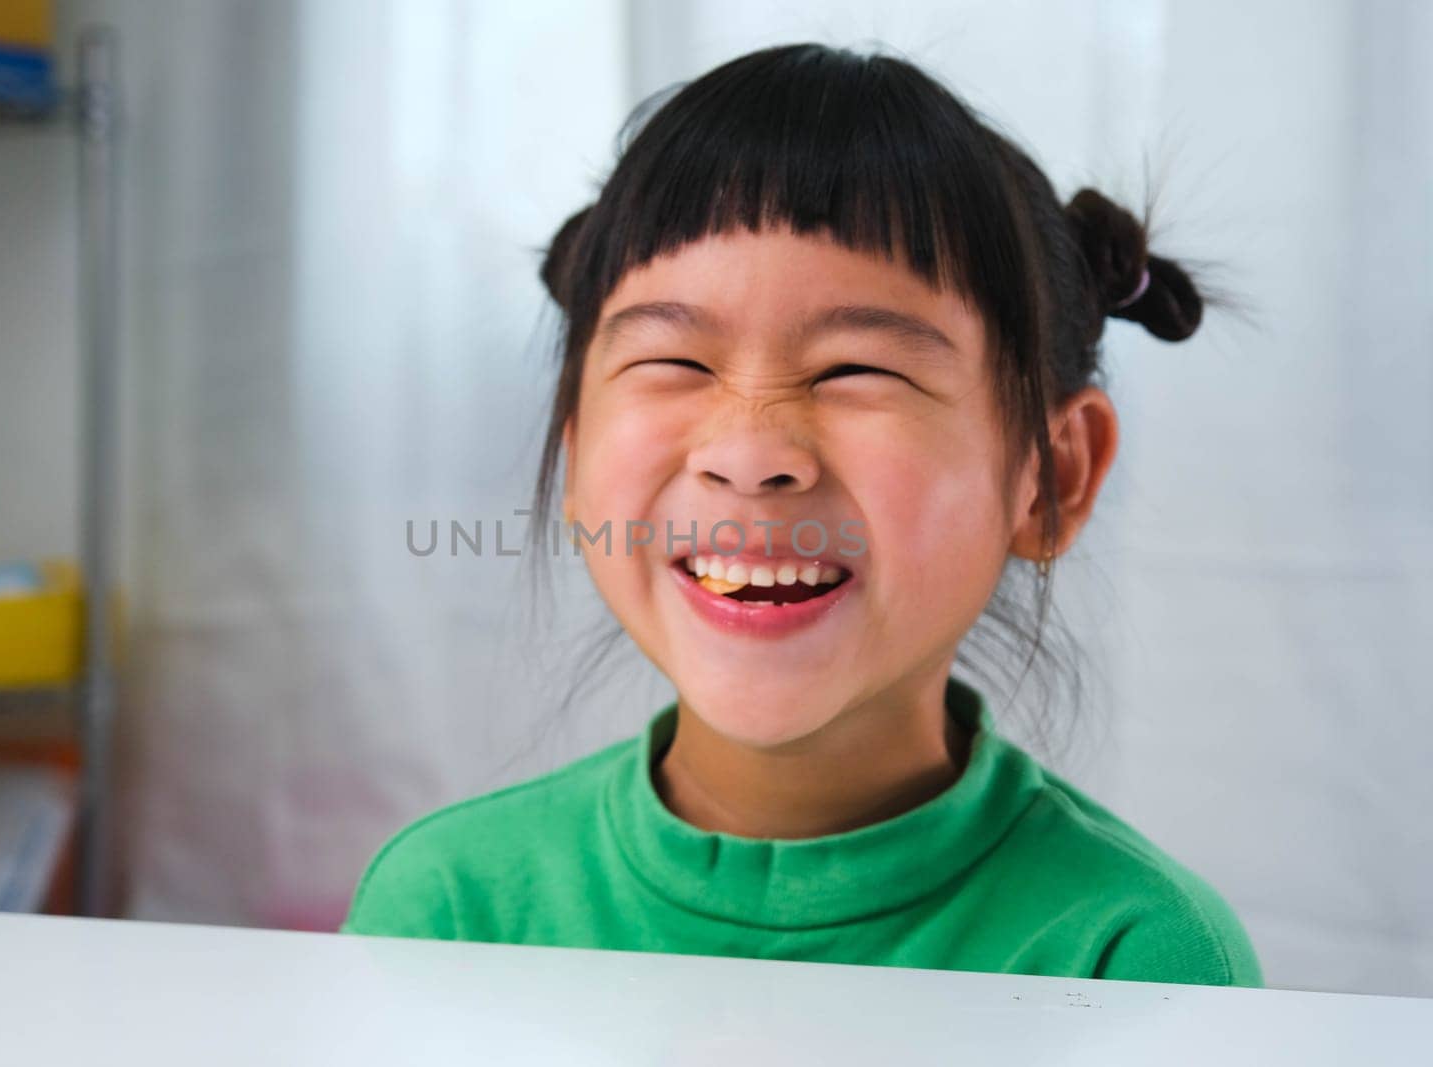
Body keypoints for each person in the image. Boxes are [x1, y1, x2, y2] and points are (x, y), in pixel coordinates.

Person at [340, 42, 1262, 987]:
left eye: (858, 370)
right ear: (577, 451)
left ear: (1050, 476)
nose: (748, 453)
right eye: (676, 364)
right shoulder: (447, 911)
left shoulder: (1135, 957)